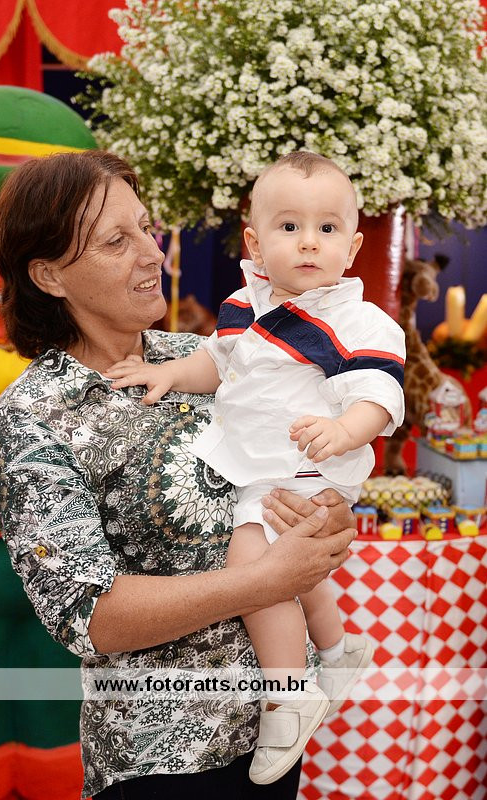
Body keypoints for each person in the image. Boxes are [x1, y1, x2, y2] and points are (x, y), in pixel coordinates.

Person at [0, 149, 358, 800]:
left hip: (271, 735)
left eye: (146, 228)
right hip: (160, 757)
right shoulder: (34, 414)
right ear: (49, 275)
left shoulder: (201, 357)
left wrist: (324, 516)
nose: (152, 253)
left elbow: (292, 466)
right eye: (116, 242)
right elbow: (87, 614)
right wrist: (264, 581)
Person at [106, 151, 406, 785]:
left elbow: (380, 394)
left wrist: (344, 429)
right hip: (258, 465)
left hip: (304, 464)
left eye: (327, 229)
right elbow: (219, 363)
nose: (308, 242)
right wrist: (168, 372)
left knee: (253, 559)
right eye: (289, 226)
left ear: (353, 247)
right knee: (289, 562)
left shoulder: (355, 320)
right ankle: (337, 647)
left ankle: (287, 697)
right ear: (254, 242)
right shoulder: (245, 305)